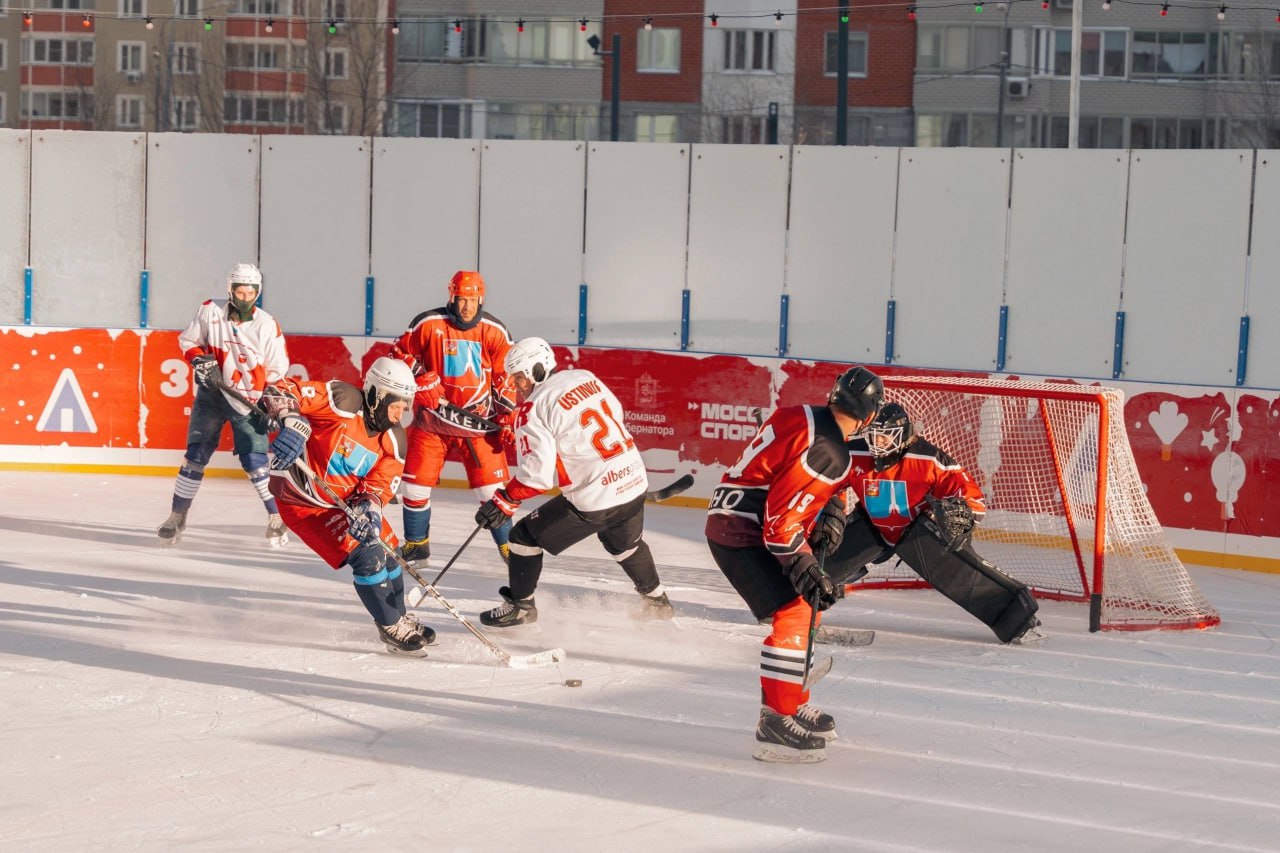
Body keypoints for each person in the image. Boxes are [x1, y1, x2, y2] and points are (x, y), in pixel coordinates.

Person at [705, 366, 884, 764]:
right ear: (869, 415)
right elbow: (780, 524)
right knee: (795, 610)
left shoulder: (802, 415)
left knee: (807, 610)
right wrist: (803, 564)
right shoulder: (830, 450)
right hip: (743, 531)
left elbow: (791, 474)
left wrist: (832, 506)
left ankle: (791, 700)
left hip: (735, 518)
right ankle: (775, 719)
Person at [473, 337, 673, 626]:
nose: (516, 386)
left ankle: (521, 606)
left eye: (519, 377)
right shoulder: (584, 377)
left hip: (595, 497)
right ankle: (657, 601)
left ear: (537, 370)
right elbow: (613, 415)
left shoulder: (532, 410)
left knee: (522, 537)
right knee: (623, 543)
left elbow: (536, 478)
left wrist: (504, 499)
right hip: (633, 480)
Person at [819, 402, 1043, 645]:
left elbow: (972, 498)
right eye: (873, 435)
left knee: (963, 574)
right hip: (872, 527)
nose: (877, 443)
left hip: (918, 532)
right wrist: (828, 509)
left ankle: (1019, 620)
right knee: (815, 565)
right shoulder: (853, 453)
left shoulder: (929, 459)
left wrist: (962, 512)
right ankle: (791, 610)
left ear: (902, 435)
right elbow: (822, 483)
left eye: (884, 436)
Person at [260, 356, 437, 656]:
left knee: (390, 553)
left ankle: (399, 617)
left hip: (343, 504)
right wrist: (291, 421)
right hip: (304, 504)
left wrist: (370, 509)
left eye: (404, 407)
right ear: (377, 395)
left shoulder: (394, 439)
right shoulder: (342, 400)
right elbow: (281, 390)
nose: (399, 415)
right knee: (368, 556)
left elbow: (379, 485)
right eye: (396, 406)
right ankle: (390, 626)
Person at [158, 263, 291, 547]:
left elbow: (277, 371)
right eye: (240, 292)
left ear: (258, 292)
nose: (245, 298)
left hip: (248, 399)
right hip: (212, 394)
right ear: (230, 291)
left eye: (250, 293)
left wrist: (270, 404)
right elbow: (189, 341)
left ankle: (276, 517)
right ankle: (177, 516)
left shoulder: (267, 325)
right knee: (196, 454)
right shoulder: (210, 310)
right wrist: (200, 360)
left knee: (254, 461)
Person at [388, 270, 515, 567]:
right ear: (452, 297)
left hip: (478, 428)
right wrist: (421, 379)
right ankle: (417, 546)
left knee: (493, 494)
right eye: (461, 300)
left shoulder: (495, 331)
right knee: (414, 487)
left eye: (472, 300)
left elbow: (505, 375)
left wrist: (508, 415)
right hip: (432, 424)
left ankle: (511, 550)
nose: (466, 307)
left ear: (481, 299)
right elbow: (398, 354)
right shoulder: (428, 323)